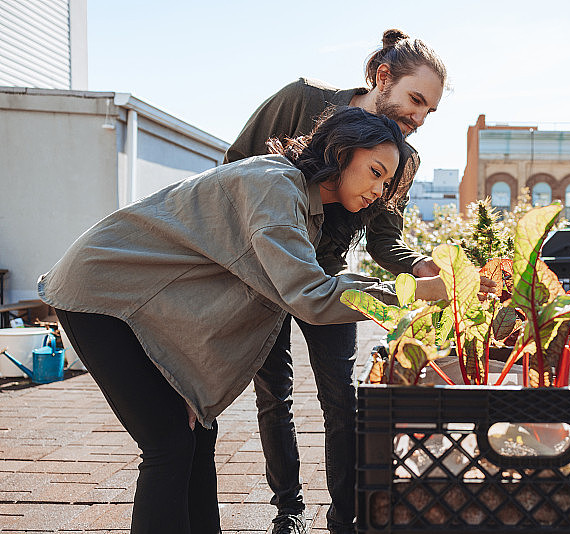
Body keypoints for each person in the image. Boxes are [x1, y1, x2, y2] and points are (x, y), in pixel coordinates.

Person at [37, 108, 451, 534]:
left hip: (130, 298)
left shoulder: (300, 201)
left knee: (196, 436)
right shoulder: (275, 188)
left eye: (387, 184)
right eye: (376, 172)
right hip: (100, 292)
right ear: (341, 151)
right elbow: (309, 295)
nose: (379, 192)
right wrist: (416, 291)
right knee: (169, 444)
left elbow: (306, 283)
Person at [226, 29, 448, 534]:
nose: (417, 118)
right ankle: (289, 510)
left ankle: (343, 516)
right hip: (263, 276)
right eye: (415, 100)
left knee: (341, 401)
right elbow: (235, 169)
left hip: (328, 283)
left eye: (428, 112)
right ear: (382, 76)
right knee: (273, 395)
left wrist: (420, 269)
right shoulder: (302, 100)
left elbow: (385, 242)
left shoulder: (404, 160)